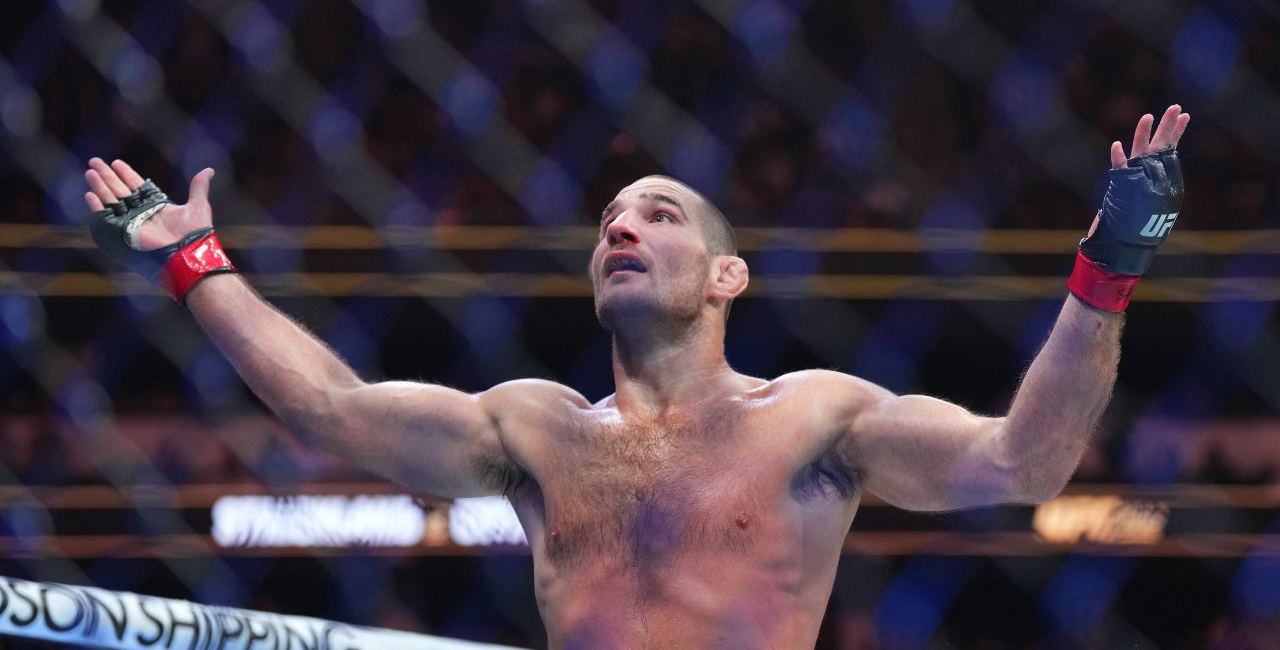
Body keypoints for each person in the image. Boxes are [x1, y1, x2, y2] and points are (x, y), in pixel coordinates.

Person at [85, 105, 1189, 649]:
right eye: (609, 218)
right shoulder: (535, 430)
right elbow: (323, 408)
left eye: (657, 213)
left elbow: (1025, 461)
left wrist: (1110, 266)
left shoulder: (815, 414)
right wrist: (195, 261)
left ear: (725, 275)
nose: (621, 225)